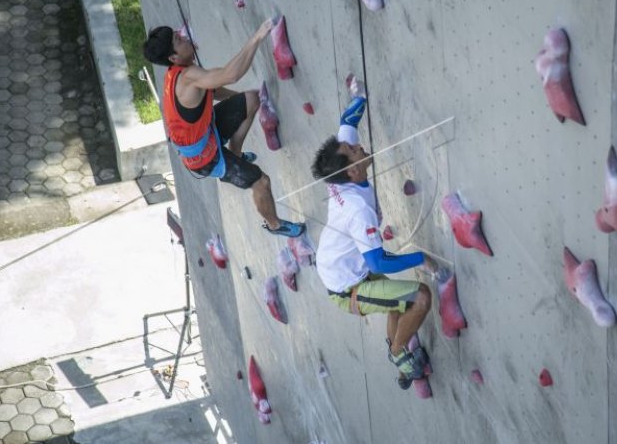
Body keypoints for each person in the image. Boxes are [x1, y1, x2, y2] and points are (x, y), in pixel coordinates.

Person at [311, 78, 436, 388]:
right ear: (353, 170)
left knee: (400, 301)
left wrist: (360, 98)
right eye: (354, 151)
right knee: (421, 297)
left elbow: (347, 122)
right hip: (348, 286)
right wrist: (421, 258)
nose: (358, 146)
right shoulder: (357, 209)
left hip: (344, 268)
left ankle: (397, 342)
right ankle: (398, 353)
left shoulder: (339, 174)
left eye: (352, 147)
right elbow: (379, 263)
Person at [143, 19, 304, 237]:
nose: (184, 36)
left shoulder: (179, 71)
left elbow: (213, 89)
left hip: (206, 133)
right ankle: (275, 225)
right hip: (204, 159)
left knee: (251, 99)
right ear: (173, 57)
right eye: (178, 39)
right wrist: (257, 36)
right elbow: (231, 74)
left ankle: (235, 153)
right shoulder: (187, 79)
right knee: (261, 182)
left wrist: (240, 101)